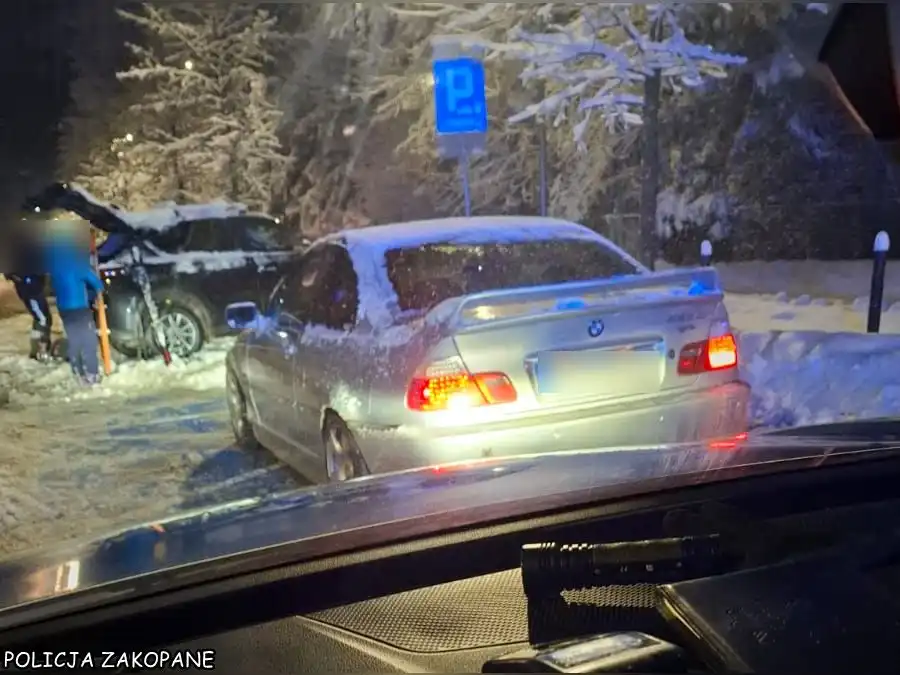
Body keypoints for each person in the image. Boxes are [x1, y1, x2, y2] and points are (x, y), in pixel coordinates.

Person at [42, 218, 105, 385]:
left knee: (74, 339)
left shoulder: (55, 262)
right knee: (88, 340)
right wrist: (99, 288)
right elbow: (94, 281)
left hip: (64, 308)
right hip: (79, 307)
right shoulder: (77, 262)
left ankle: (78, 372)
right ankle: (92, 374)